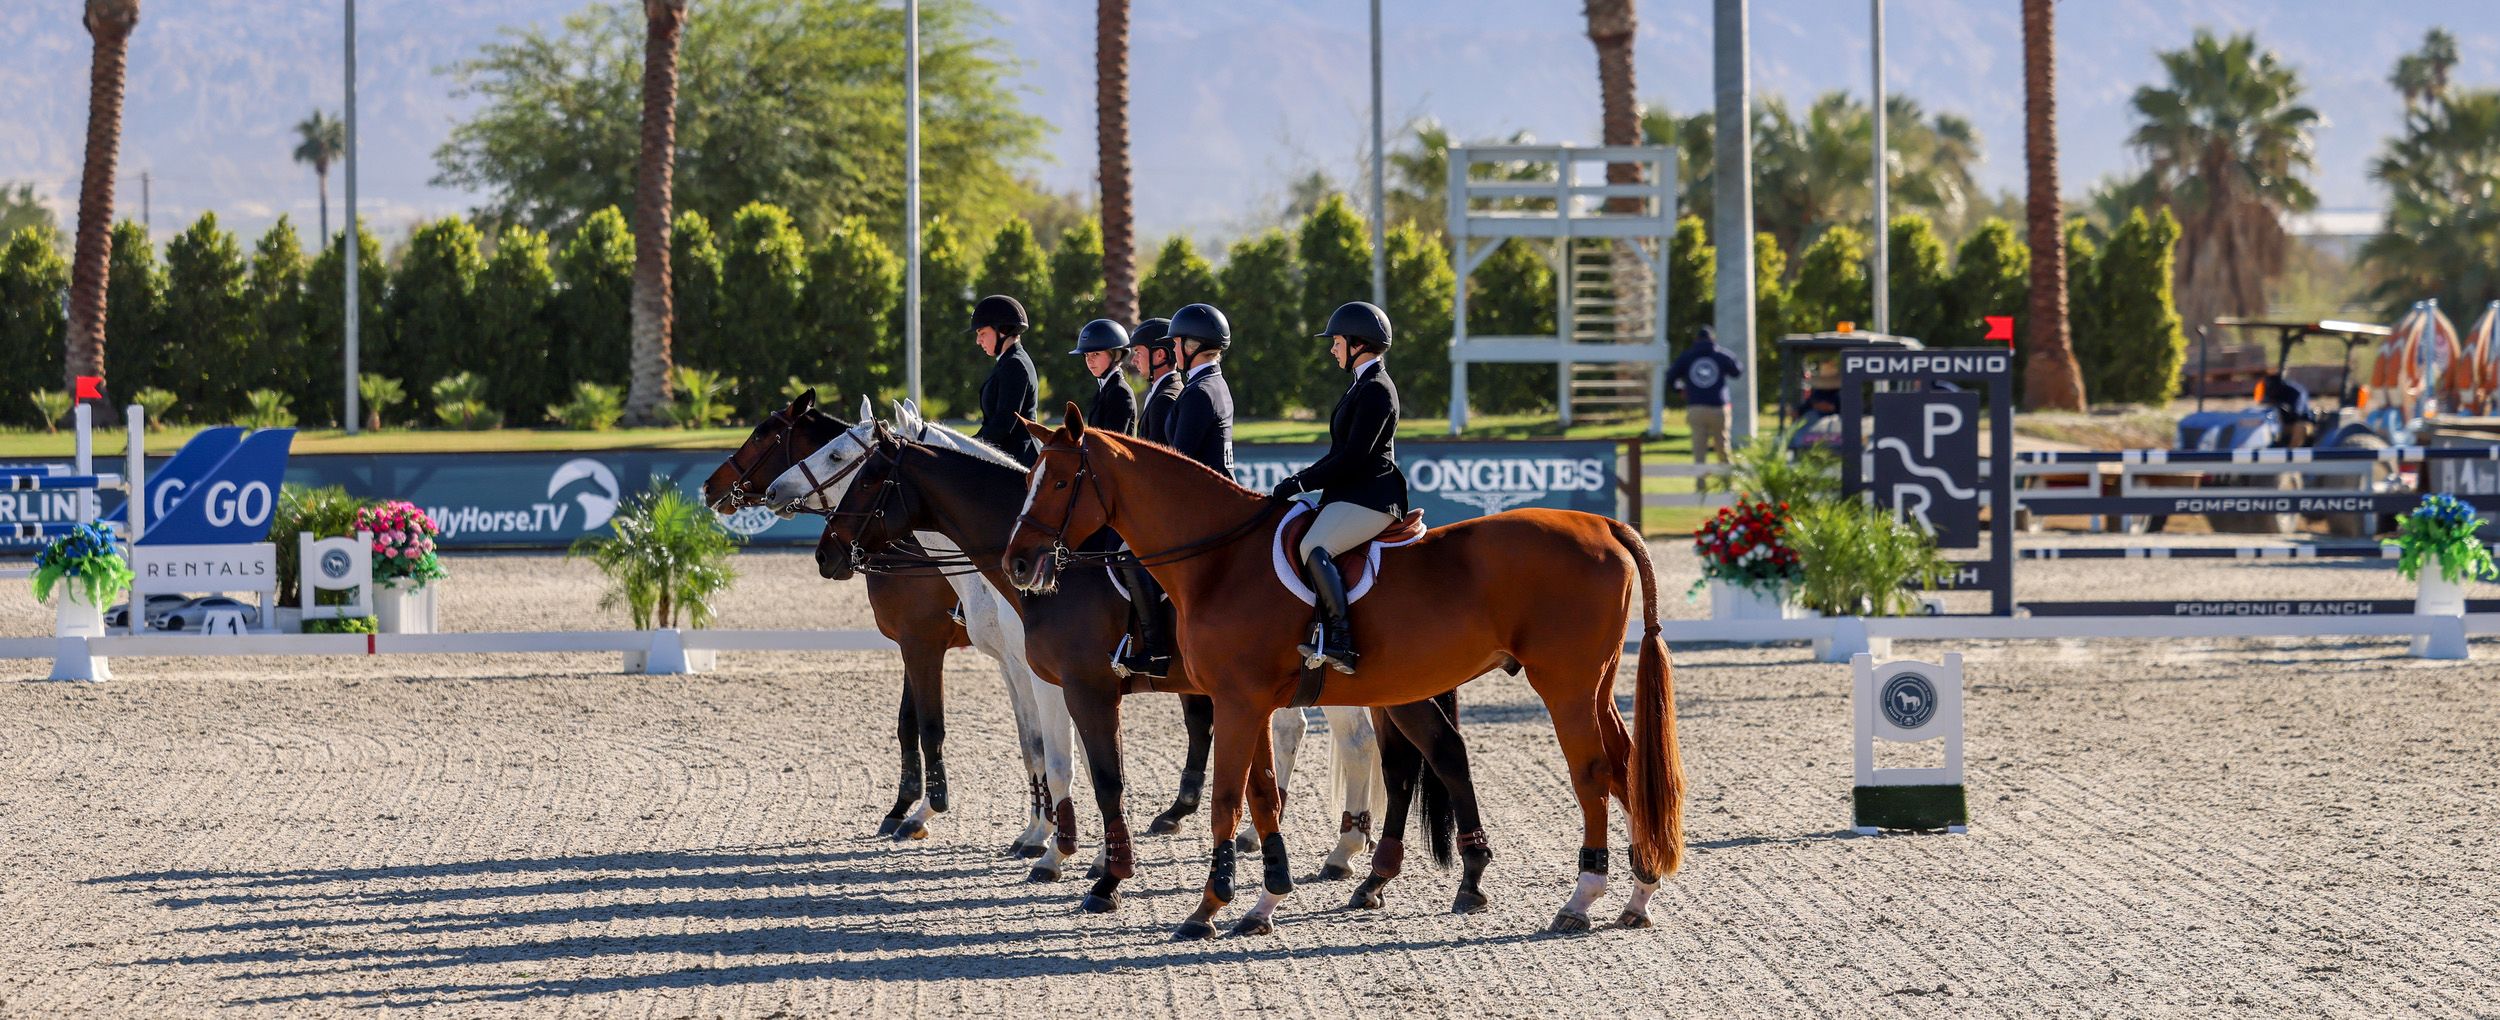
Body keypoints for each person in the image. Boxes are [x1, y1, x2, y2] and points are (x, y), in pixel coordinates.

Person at [1270, 301, 1405, 675]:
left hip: (1373, 496)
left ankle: (1341, 642)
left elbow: (1353, 457)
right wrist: (1303, 480)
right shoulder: (1361, 385)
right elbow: (1339, 454)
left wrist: (1302, 482)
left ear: (1358, 344)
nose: (1332, 348)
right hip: (1352, 493)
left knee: (1314, 545)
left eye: (1337, 341)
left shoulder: (1377, 389)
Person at [1114, 303, 1231, 680]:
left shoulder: (1195, 393)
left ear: (1190, 346)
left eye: (1178, 343)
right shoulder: (1205, 386)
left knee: (1129, 556)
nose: (1176, 349)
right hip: (1205, 498)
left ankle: (1156, 649)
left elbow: (1175, 465)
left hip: (1200, 506)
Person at [971, 294, 1040, 466]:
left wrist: (965, 446)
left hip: (1019, 462)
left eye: (982, 333)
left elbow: (1003, 424)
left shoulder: (1015, 364)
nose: (978, 340)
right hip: (1005, 458)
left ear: (1002, 330)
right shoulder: (1007, 362)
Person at [1667, 325, 1743, 466]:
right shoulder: (1721, 355)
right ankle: (1728, 483)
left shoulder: (1687, 356)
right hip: (1718, 407)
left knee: (1699, 449)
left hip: (1696, 406)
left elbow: (1670, 377)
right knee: (1723, 447)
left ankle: (1701, 485)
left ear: (1696, 339)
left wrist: (1680, 390)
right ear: (1712, 339)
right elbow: (1737, 371)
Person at [1069, 318, 1137, 436]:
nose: (1089, 360)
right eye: (1086, 355)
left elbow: (1110, 444)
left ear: (1116, 355)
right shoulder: (1104, 388)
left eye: (1096, 354)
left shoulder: (1120, 392)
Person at [1130, 317, 1181, 445]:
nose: (1133, 360)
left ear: (1160, 355)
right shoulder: (1164, 391)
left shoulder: (1164, 400)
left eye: (1138, 352)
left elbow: (1156, 461)